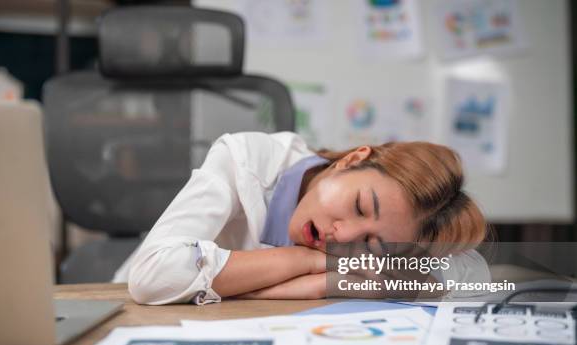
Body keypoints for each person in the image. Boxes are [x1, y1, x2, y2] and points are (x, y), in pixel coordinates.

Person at [113, 131, 489, 305]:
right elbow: (151, 278)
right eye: (359, 206)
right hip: (128, 313)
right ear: (352, 160)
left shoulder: (393, 233)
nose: (343, 237)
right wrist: (307, 261)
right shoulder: (247, 160)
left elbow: (474, 279)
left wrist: (390, 283)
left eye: (370, 242)